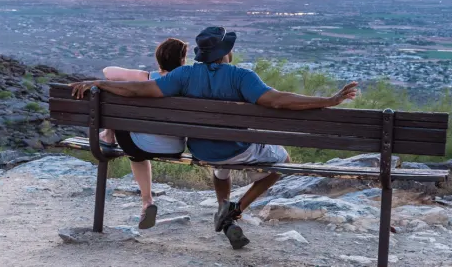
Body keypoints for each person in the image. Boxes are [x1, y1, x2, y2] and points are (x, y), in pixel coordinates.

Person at [70, 27, 358, 249]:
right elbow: (278, 100)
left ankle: (223, 206)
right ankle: (234, 211)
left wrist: (97, 83)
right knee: (281, 161)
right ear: (225, 53)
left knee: (221, 165)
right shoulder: (241, 76)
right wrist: (328, 100)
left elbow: (136, 89)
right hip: (238, 149)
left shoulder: (182, 75)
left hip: (201, 150)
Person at [98, 38, 188, 230]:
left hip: (139, 146)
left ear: (159, 59)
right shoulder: (188, 82)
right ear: (182, 61)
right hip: (176, 148)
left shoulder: (148, 77)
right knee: (140, 147)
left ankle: (108, 136)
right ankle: (146, 202)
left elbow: (107, 72)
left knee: (117, 94)